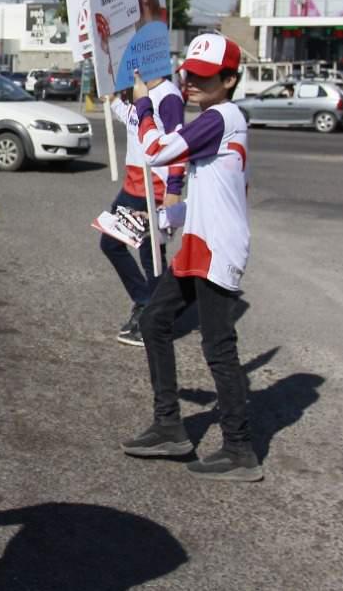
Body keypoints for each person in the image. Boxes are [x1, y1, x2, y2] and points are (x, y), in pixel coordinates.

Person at [120, 34, 262, 482]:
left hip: (216, 247)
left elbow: (156, 151)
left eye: (203, 77)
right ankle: (169, 426)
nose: (191, 84)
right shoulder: (218, 120)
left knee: (218, 346)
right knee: (154, 321)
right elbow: (226, 187)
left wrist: (143, 105)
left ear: (230, 79)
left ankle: (240, 450)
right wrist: (171, 213)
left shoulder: (222, 115)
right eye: (189, 75)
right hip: (199, 241)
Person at [103, 77, 185, 346]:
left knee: (152, 257)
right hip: (133, 187)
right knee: (112, 244)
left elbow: (178, 144)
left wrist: (173, 190)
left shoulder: (168, 95)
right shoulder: (141, 91)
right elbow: (133, 121)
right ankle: (148, 303)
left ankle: (154, 316)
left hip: (155, 188)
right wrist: (112, 98)